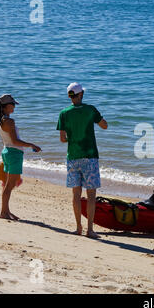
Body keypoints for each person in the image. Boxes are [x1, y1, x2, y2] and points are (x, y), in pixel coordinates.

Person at [57, 83, 108, 239]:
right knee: (91, 195)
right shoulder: (90, 109)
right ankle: (90, 230)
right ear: (81, 94)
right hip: (90, 156)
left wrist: (74, 137)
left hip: (72, 157)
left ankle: (78, 227)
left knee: (76, 194)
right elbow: (104, 126)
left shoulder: (64, 113)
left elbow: (62, 139)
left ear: (70, 96)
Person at [0, 94, 41, 220]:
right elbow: (15, 141)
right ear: (6, 106)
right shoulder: (9, 121)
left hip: (7, 151)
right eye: (13, 104)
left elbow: (10, 140)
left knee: (8, 184)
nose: (14, 106)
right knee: (9, 185)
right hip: (14, 153)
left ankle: (5, 211)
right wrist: (31, 144)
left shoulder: (0, 120)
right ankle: (4, 212)